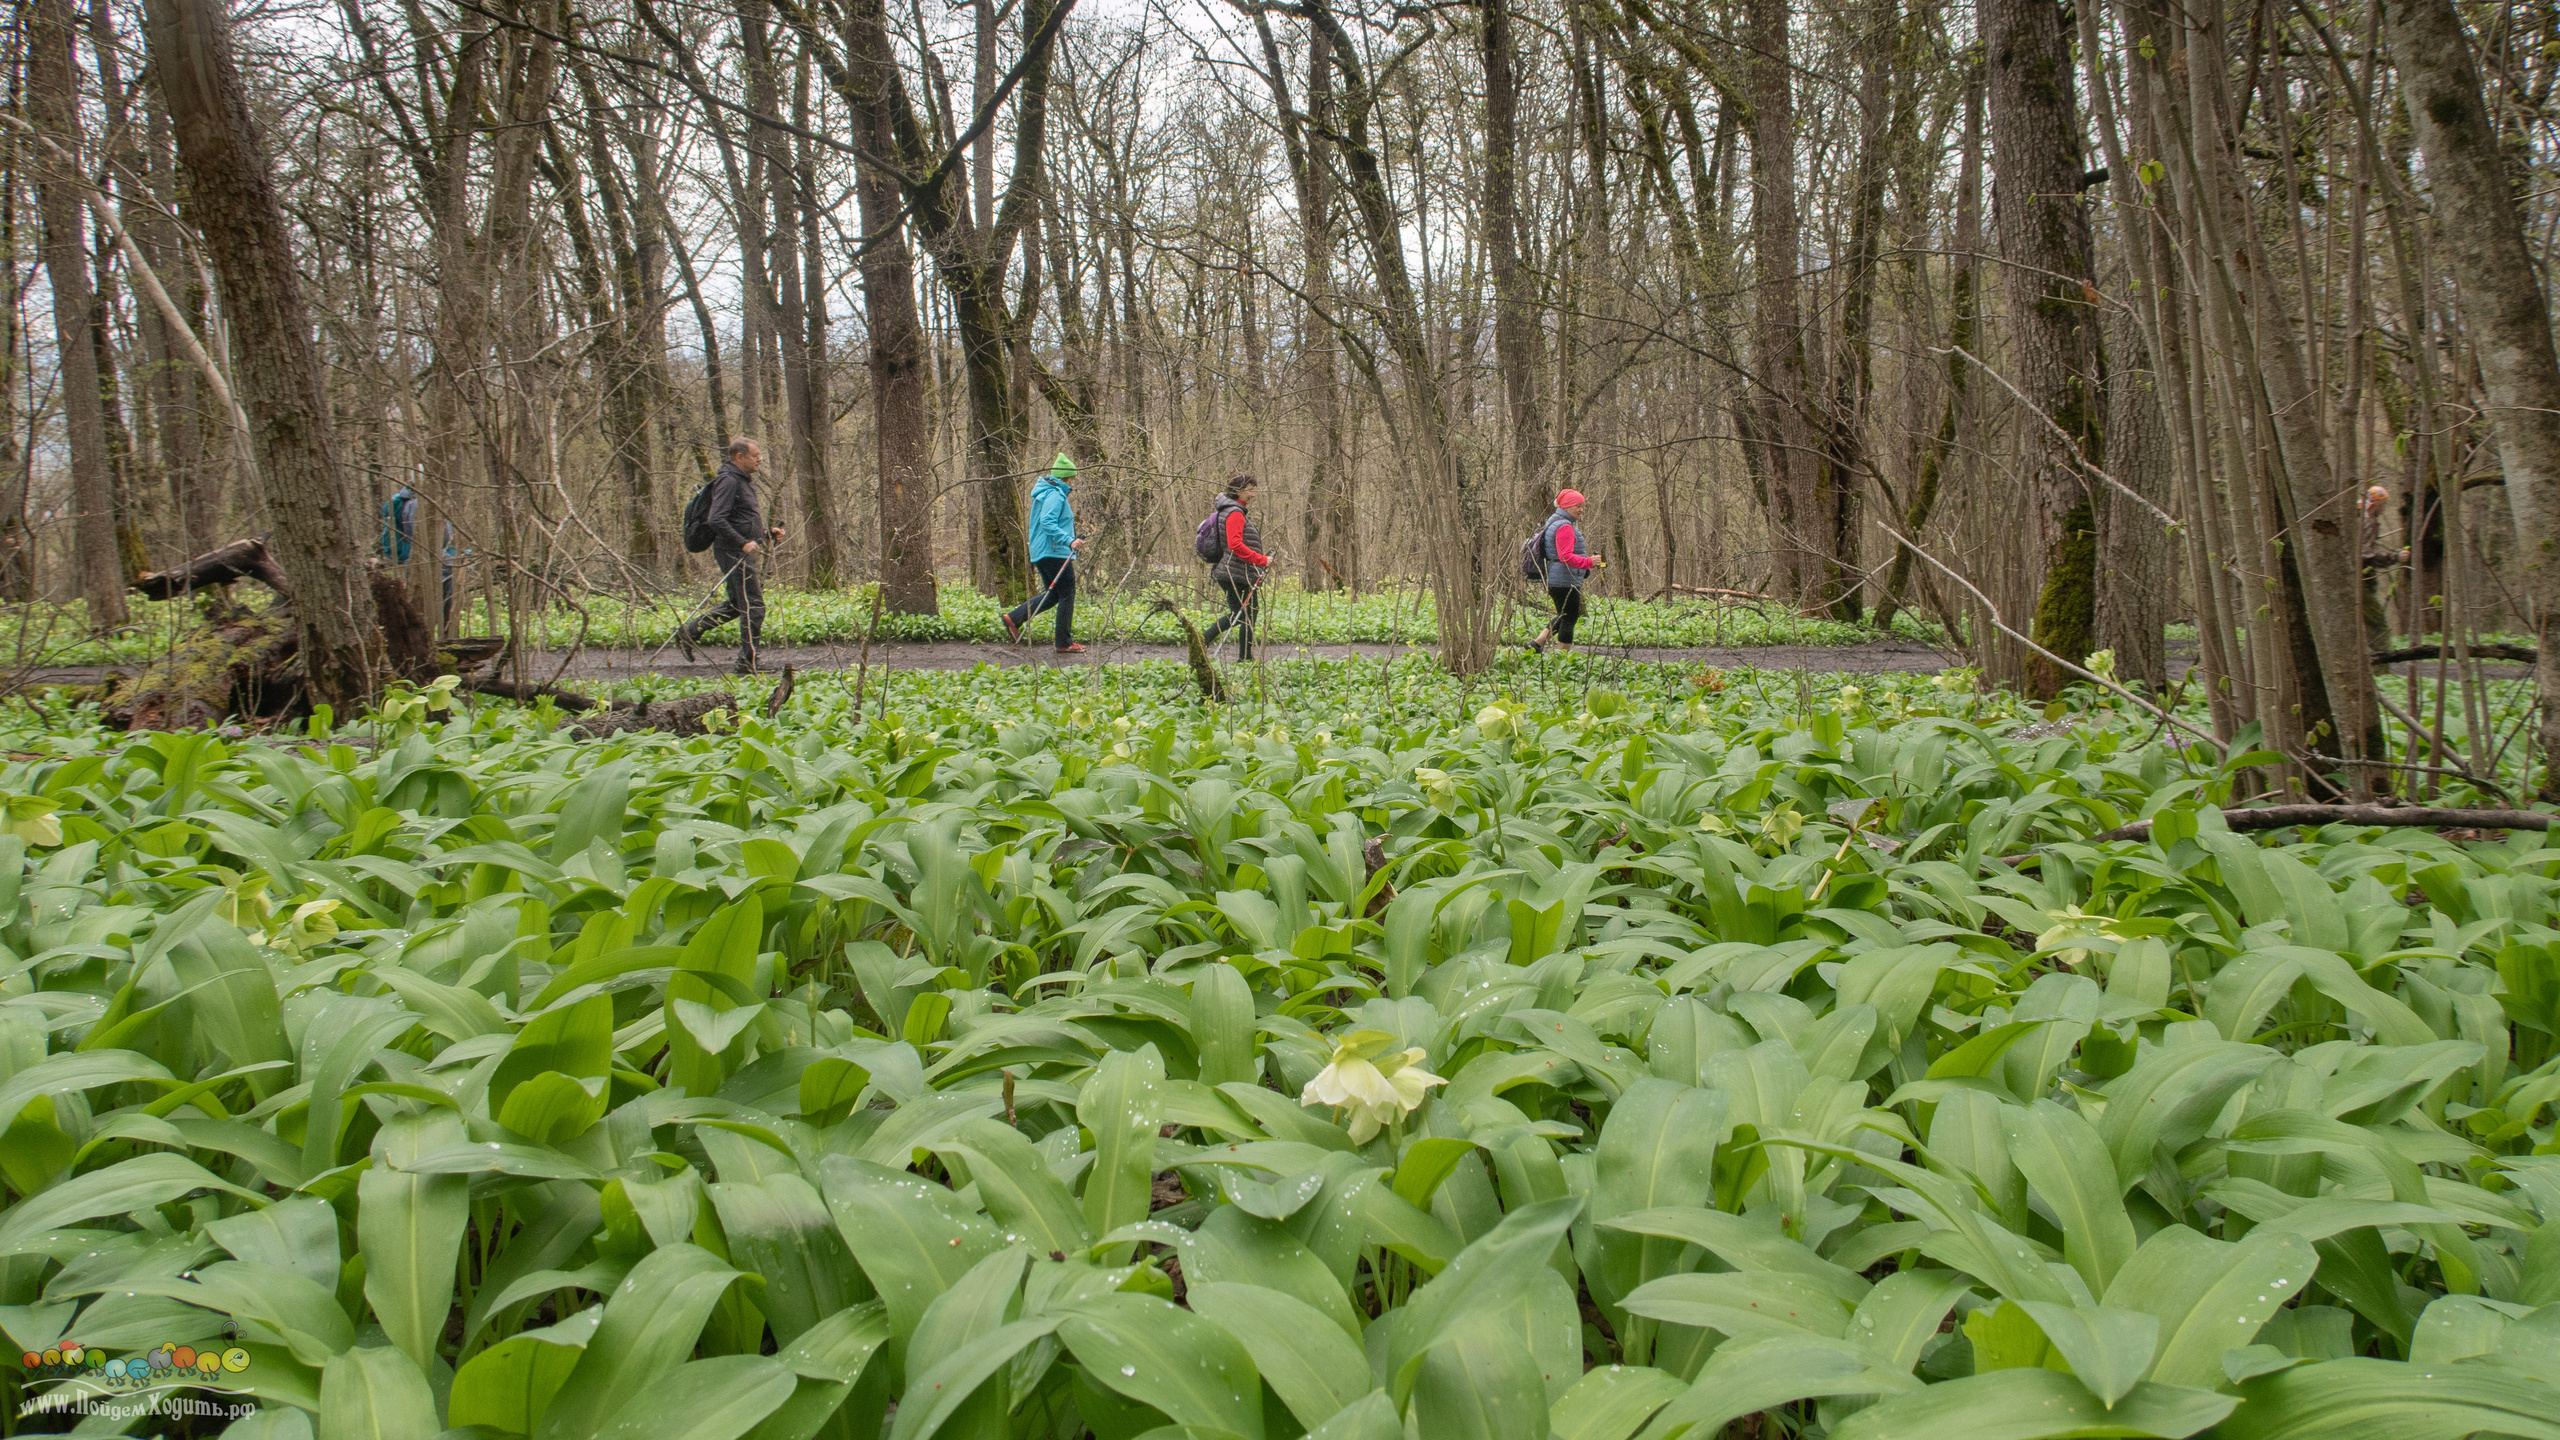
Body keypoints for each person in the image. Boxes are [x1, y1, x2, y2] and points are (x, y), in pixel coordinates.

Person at [677, 438, 785, 673]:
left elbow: (739, 520)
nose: (760, 459)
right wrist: (742, 542)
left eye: (760, 455)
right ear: (739, 457)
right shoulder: (728, 480)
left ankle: (689, 632)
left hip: (737, 549)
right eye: (755, 455)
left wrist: (766, 534)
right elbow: (716, 519)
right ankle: (747, 662)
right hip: (732, 552)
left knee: (738, 605)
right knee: (754, 606)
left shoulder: (741, 481)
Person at [1004, 453, 1085, 653]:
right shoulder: (1055, 495)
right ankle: (1064, 642)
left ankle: (1015, 617)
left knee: (1055, 594)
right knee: (1067, 592)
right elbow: (1047, 522)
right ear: (1068, 477)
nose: (1073, 481)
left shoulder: (1047, 493)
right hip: (1054, 551)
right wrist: (1069, 540)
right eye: (1072, 478)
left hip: (1043, 551)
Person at [1202, 474, 1272, 659]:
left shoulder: (1230, 510)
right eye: (1250, 490)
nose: (1253, 495)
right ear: (1238, 491)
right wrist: (1261, 560)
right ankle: (1204, 639)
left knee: (1246, 614)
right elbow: (1235, 545)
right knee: (1243, 614)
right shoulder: (1234, 513)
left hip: (1235, 571)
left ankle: (1245, 656)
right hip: (1235, 572)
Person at [1530, 488, 1601, 653]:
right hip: (1564, 579)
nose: (1581, 509)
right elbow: (1566, 557)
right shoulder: (1565, 527)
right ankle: (1563, 657)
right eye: (1578, 505)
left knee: (1564, 614)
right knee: (1570, 618)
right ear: (1567, 507)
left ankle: (1537, 643)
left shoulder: (1555, 522)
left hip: (1558, 578)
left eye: (1582, 505)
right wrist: (1589, 562)